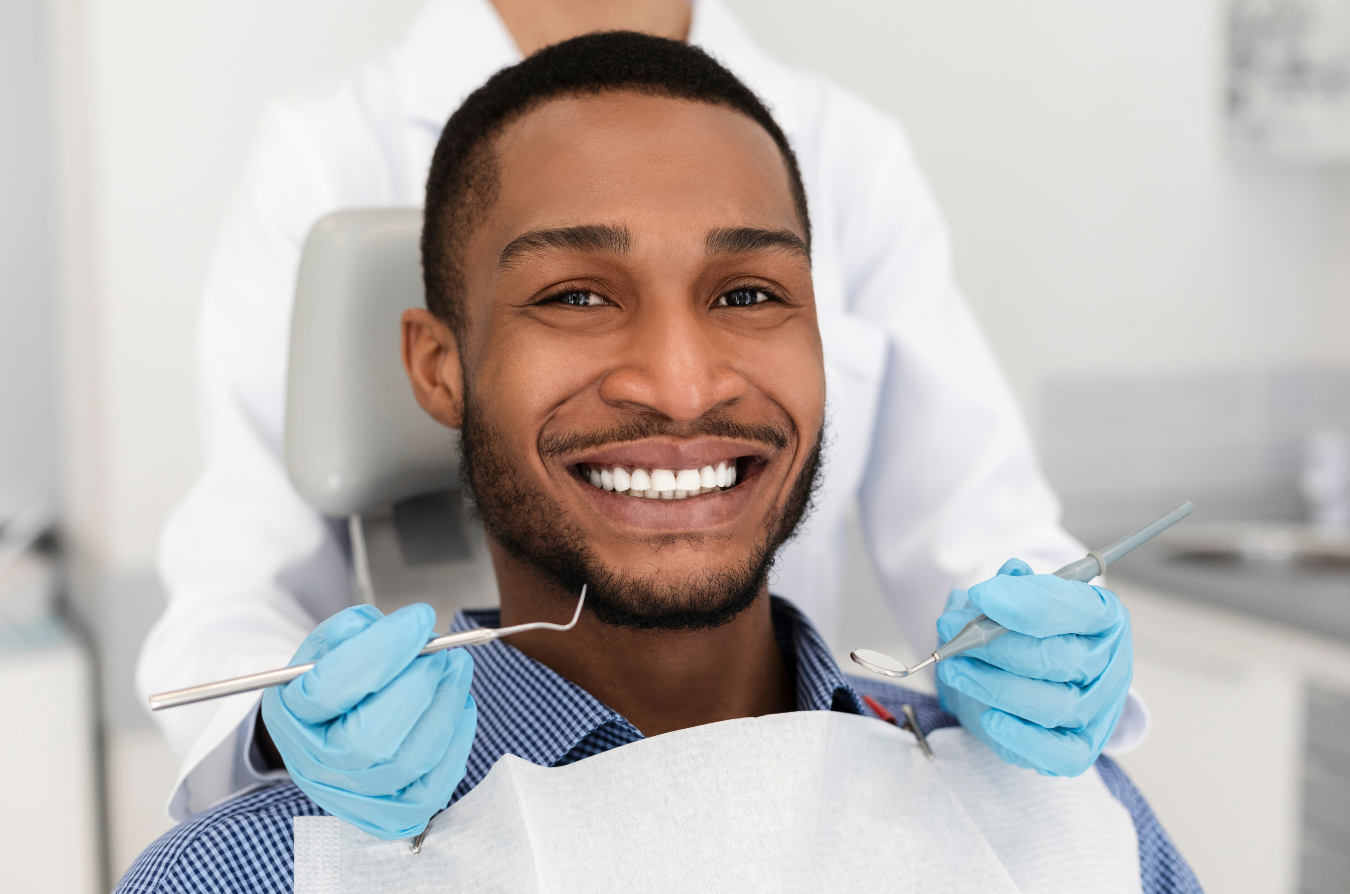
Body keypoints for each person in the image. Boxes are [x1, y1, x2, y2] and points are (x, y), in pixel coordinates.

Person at [119, 35, 1197, 893]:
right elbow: (239, 564)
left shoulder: (1073, 837)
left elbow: (978, 513)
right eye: (575, 297)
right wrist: (285, 727)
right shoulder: (258, 876)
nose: (682, 386)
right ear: (438, 366)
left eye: (750, 294)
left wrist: (1040, 662)